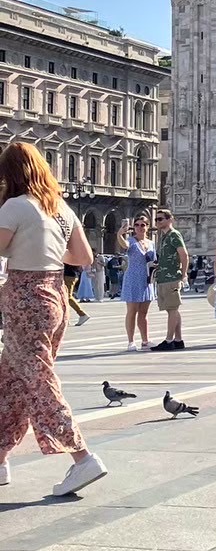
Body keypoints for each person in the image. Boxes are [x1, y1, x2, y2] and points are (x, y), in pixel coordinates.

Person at [0, 141, 109, 496]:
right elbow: (83, 256)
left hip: (26, 299)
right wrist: (45, 249)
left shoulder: (15, 206)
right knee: (11, 382)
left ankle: (82, 457)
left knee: (39, 380)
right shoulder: (59, 207)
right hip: (55, 295)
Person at [151, 208, 189, 352]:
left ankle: (169, 340)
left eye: (160, 219)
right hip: (163, 277)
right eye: (156, 219)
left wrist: (183, 275)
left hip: (172, 277)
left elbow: (184, 255)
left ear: (170, 219)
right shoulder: (164, 237)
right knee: (172, 309)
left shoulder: (174, 235)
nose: (158, 222)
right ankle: (178, 340)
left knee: (172, 309)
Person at [120, 213, 157, 350]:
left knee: (143, 312)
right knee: (132, 311)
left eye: (143, 225)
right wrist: (120, 234)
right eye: (137, 225)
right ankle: (131, 341)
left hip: (147, 279)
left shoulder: (151, 243)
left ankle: (145, 340)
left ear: (147, 227)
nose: (140, 227)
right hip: (133, 278)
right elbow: (124, 245)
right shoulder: (131, 241)